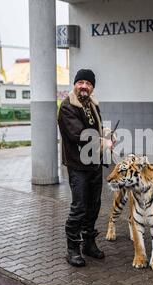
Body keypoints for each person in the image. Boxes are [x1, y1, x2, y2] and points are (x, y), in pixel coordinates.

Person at [58, 69, 113, 267]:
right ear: (74, 84)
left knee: (94, 206)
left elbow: (94, 128)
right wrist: (102, 143)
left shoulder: (91, 104)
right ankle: (72, 249)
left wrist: (106, 133)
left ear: (92, 87)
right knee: (79, 208)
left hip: (94, 164)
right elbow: (79, 134)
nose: (84, 86)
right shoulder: (67, 107)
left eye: (88, 83)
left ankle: (89, 244)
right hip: (77, 165)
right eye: (80, 82)